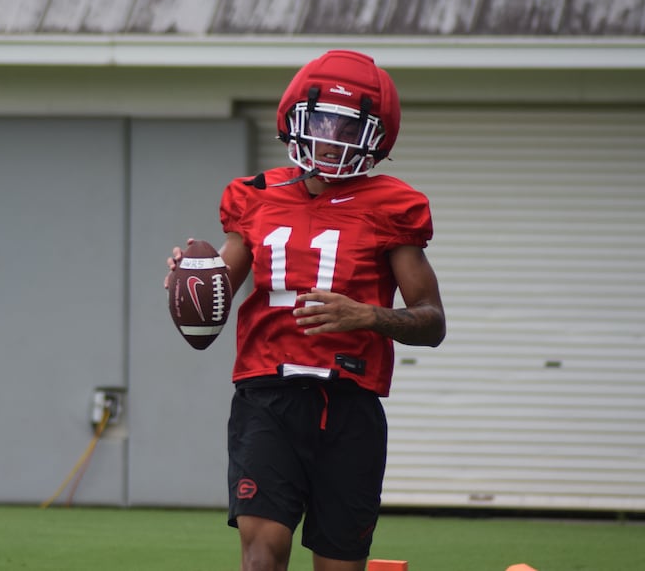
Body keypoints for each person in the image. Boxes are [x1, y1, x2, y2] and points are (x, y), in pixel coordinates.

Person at [166, 49, 446, 571]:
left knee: (338, 565)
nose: (333, 136)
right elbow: (209, 315)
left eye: (349, 125)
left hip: (349, 405)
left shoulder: (393, 205)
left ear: (376, 136)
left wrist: (366, 315)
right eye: (323, 121)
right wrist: (191, 284)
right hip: (266, 399)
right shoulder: (254, 197)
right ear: (297, 117)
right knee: (262, 555)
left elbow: (432, 322)